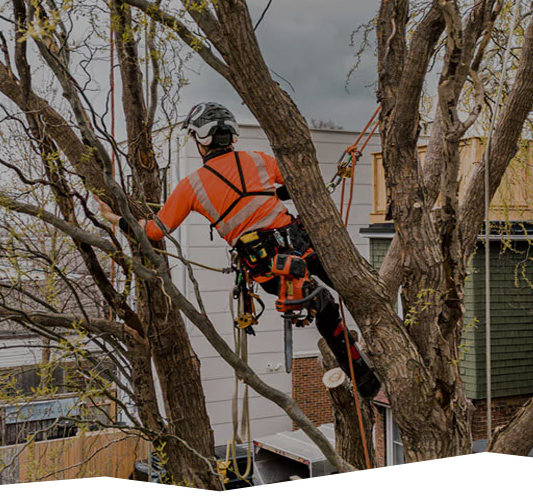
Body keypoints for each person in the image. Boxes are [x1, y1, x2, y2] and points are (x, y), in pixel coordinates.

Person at [98, 102, 380, 398]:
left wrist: (115, 218)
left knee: (323, 307)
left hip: (266, 264)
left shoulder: (191, 186)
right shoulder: (259, 160)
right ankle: (385, 339)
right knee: (352, 286)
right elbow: (296, 186)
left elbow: (154, 231)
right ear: (231, 135)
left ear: (201, 139)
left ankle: (365, 381)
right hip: (300, 244)